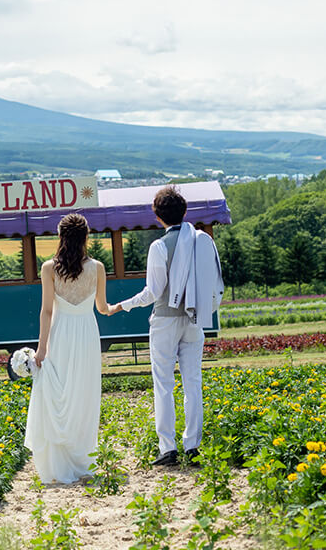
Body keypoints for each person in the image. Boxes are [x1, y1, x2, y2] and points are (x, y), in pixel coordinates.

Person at [104, 185, 224, 466]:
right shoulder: (201, 240)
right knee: (193, 383)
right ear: (184, 213)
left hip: (165, 321)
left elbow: (152, 293)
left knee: (164, 385)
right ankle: (193, 445)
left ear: (157, 217)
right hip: (195, 320)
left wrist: (121, 305)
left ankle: (167, 448)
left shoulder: (159, 247)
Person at [25, 213, 111, 483]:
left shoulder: (49, 268)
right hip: (86, 334)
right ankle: (84, 459)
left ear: (61, 237)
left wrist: (41, 351)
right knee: (84, 396)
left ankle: (59, 464)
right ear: (86, 237)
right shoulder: (97, 268)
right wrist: (120, 307)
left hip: (61, 335)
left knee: (60, 394)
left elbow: (47, 311)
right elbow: (102, 308)